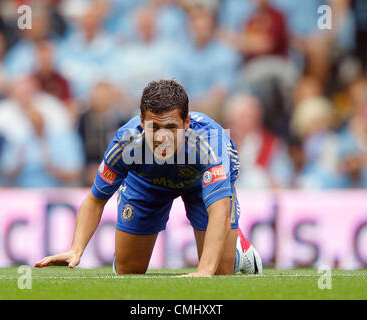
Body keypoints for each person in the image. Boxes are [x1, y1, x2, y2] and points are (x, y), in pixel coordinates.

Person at [35, 79, 262, 277]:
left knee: (220, 270)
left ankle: (238, 252)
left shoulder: (212, 142)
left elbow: (219, 208)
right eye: (154, 128)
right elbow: (96, 199)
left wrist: (203, 271)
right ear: (142, 122)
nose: (163, 137)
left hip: (199, 185)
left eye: (171, 127)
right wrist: (76, 249)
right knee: (128, 270)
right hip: (148, 183)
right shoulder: (126, 141)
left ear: (187, 123)